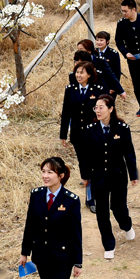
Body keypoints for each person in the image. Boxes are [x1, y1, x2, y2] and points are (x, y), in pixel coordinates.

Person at [80, 94, 138, 259]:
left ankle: (126, 225)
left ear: (111, 109)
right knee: (102, 211)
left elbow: (129, 153)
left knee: (118, 207)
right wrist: (85, 176)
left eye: (101, 107)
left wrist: (133, 174)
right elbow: (86, 156)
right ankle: (109, 245)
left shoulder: (122, 128)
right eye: (96, 107)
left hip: (118, 175)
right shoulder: (91, 130)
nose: (97, 110)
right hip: (99, 177)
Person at [61, 61, 107, 212]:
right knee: (83, 163)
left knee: (94, 162)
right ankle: (89, 195)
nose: (79, 75)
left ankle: (93, 196)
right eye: (77, 72)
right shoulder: (70, 89)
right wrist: (63, 135)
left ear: (89, 74)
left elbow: (104, 111)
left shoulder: (98, 89)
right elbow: (66, 112)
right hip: (77, 133)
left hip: (94, 133)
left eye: (82, 72)